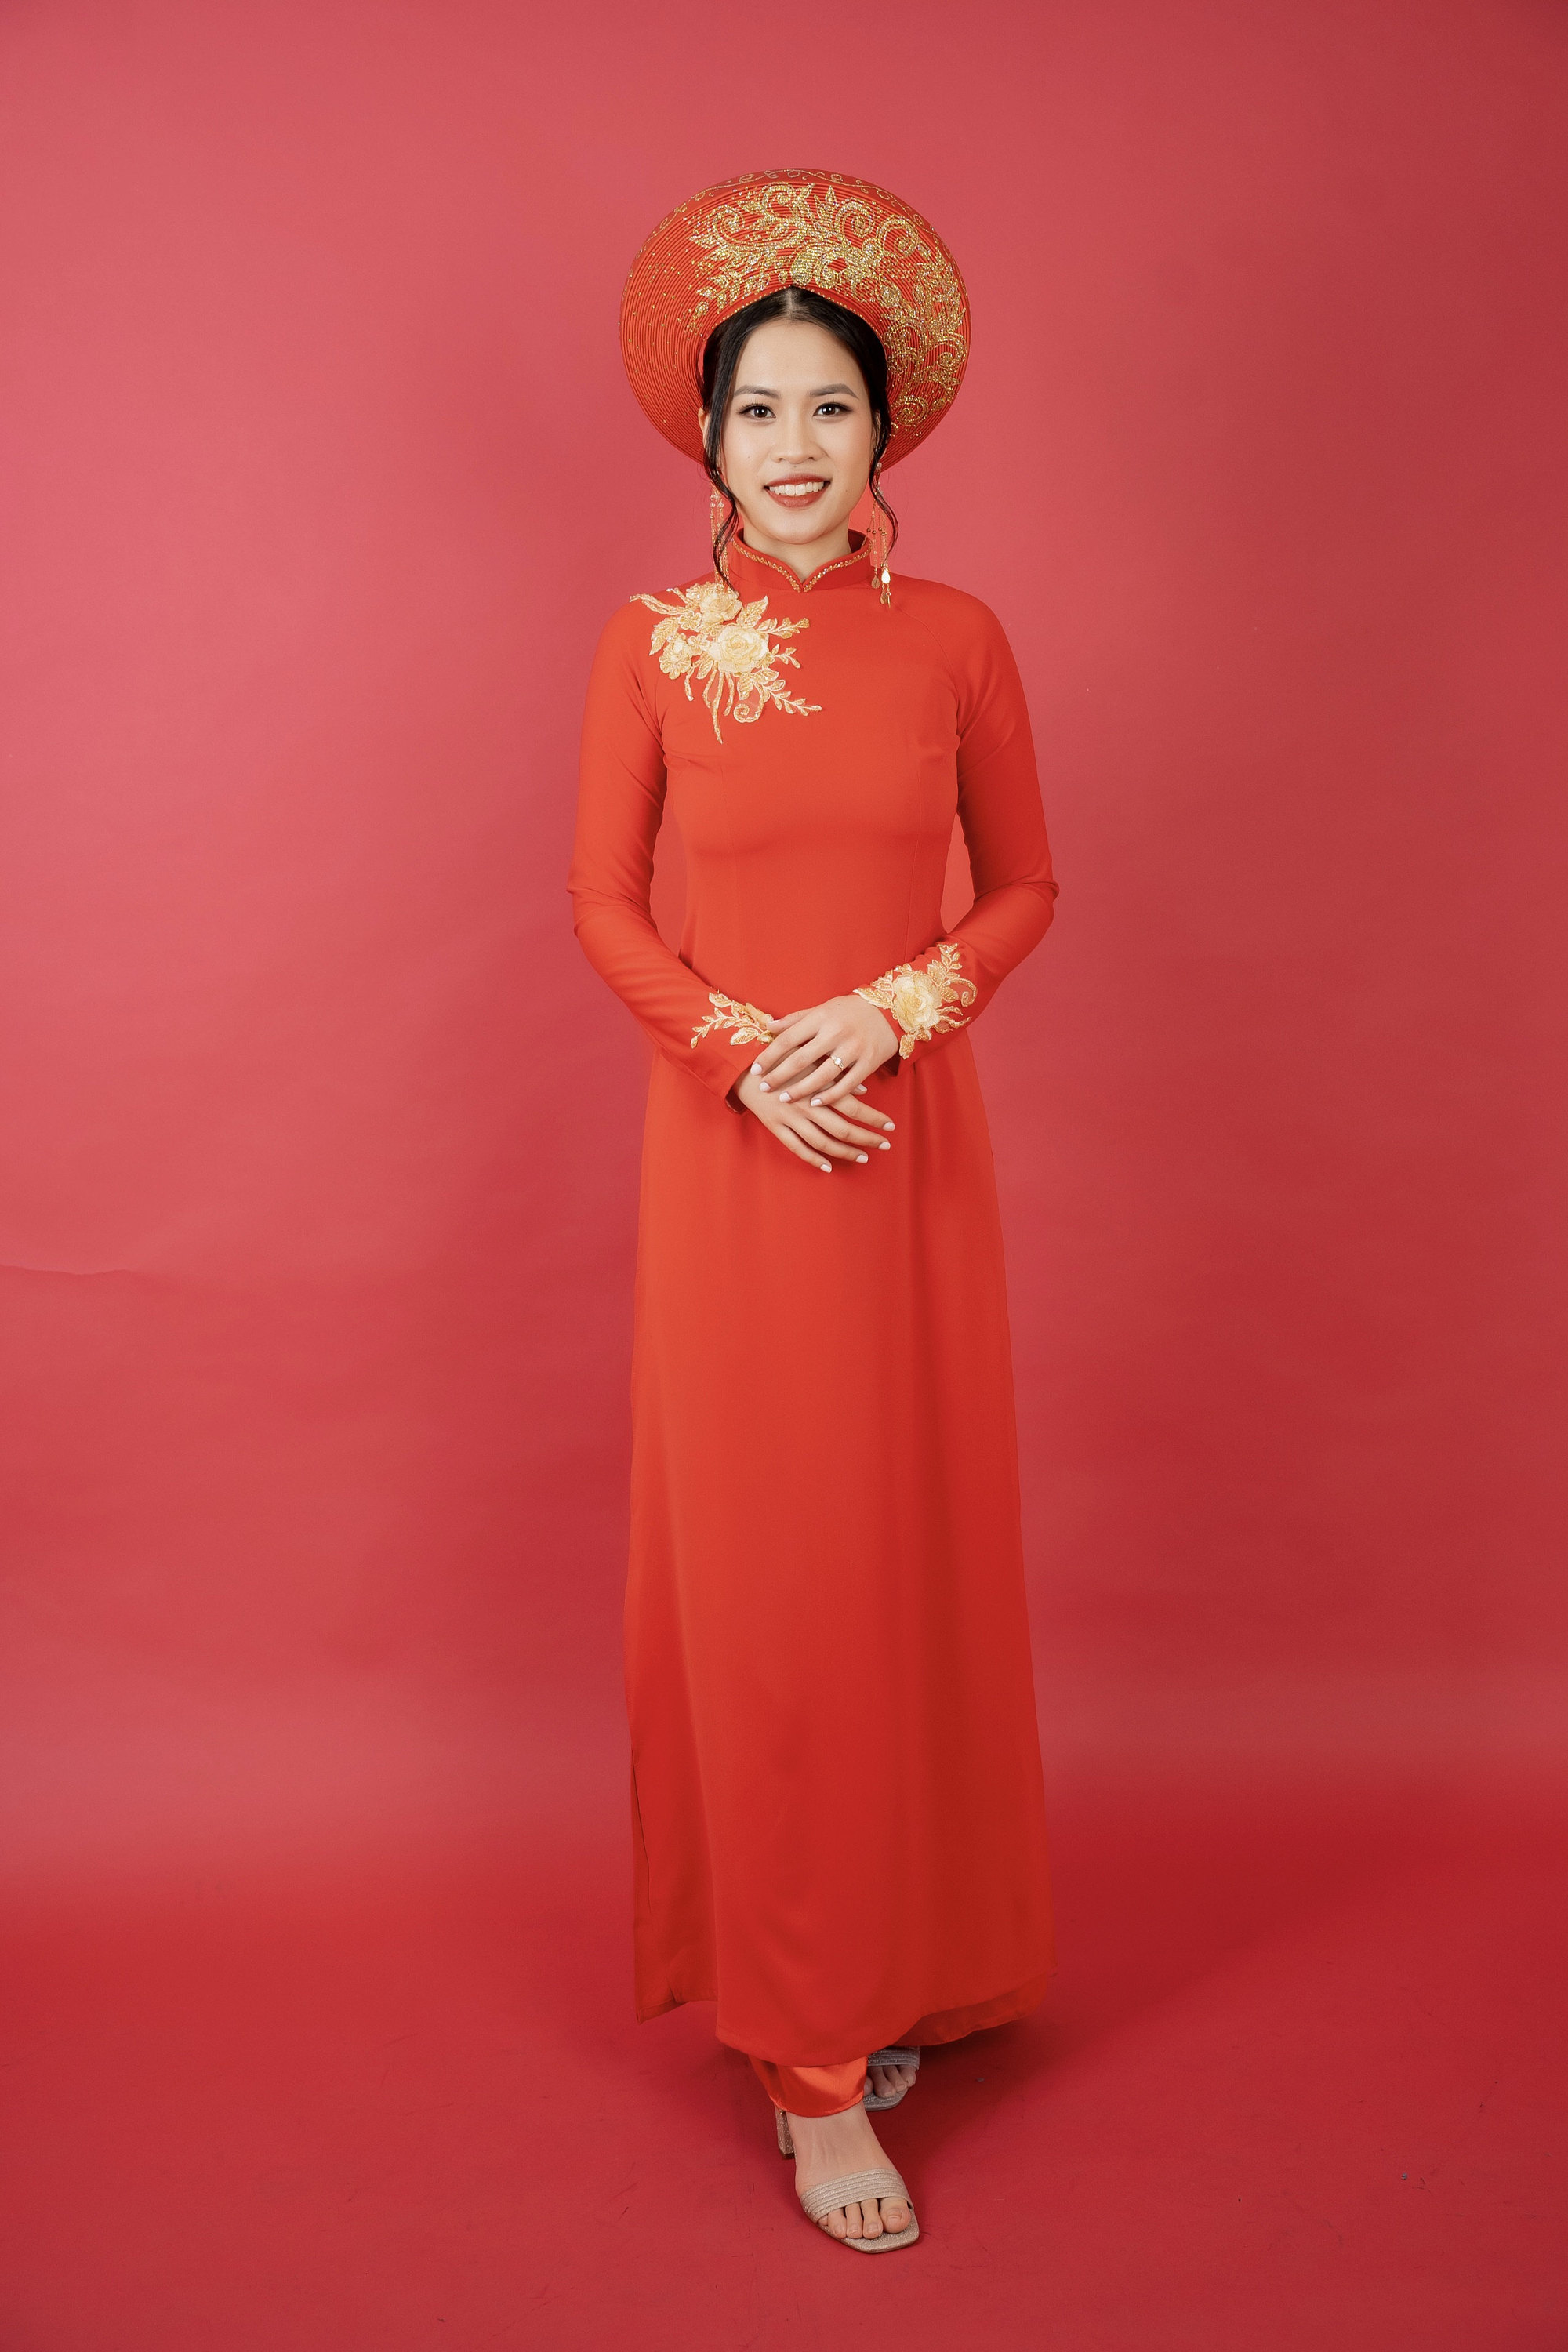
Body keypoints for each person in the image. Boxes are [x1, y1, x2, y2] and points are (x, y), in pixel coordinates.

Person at [569, 169, 1058, 2253]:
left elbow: (1023, 886)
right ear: (709, 435)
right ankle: (804, 2059)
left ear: (884, 428)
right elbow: (600, 905)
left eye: (830, 408)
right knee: (774, 1578)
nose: (794, 445)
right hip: (737, 1161)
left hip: (909, 1149)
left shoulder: (959, 640)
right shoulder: (651, 647)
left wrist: (895, 1009)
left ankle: (899, 1964)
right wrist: (741, 1052)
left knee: (902, 1558)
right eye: (758, 409)